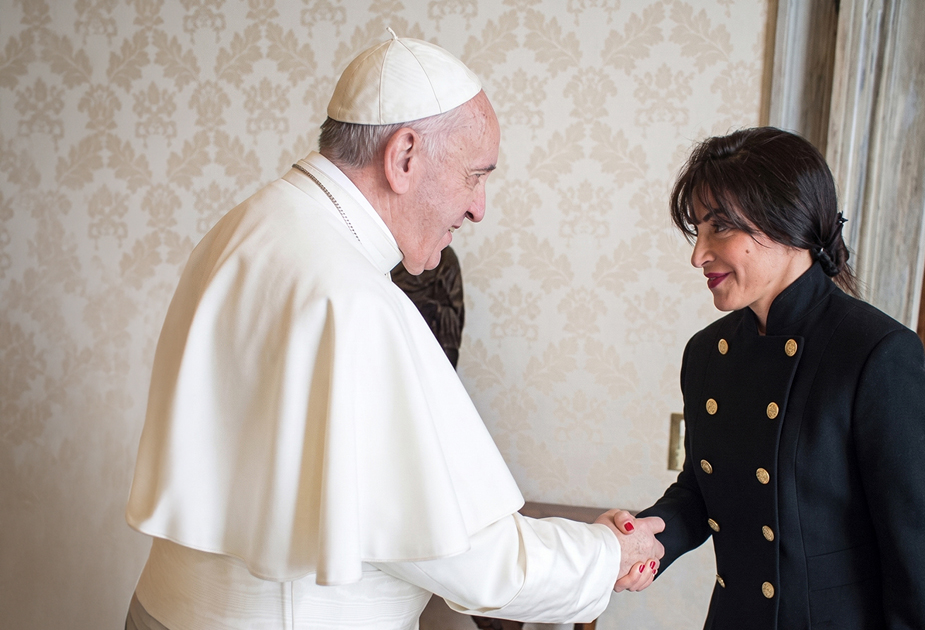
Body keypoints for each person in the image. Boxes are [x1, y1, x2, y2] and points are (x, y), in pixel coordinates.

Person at [124, 32, 662, 630]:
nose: (479, 207)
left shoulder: (243, 230)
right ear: (404, 155)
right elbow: (469, 560)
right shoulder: (352, 296)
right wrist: (608, 552)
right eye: (474, 176)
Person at [638, 128, 925, 629]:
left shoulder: (877, 354)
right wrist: (635, 541)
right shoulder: (706, 354)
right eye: (697, 230)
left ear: (788, 223)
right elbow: (701, 492)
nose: (698, 254)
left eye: (720, 228)